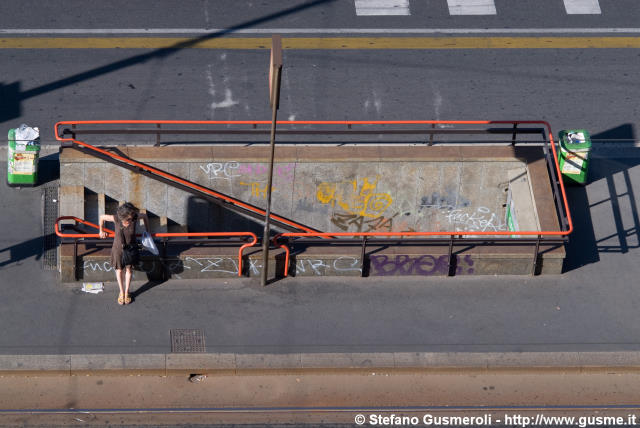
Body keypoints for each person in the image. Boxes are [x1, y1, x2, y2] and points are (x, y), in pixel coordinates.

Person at [98, 202, 150, 305]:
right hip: (118, 248)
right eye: (128, 218)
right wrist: (101, 230)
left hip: (131, 248)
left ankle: (127, 292)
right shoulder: (116, 218)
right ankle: (121, 292)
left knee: (129, 270)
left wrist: (148, 231)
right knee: (119, 270)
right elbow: (102, 217)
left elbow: (144, 216)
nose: (130, 220)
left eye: (131, 217)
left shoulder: (134, 218)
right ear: (123, 216)